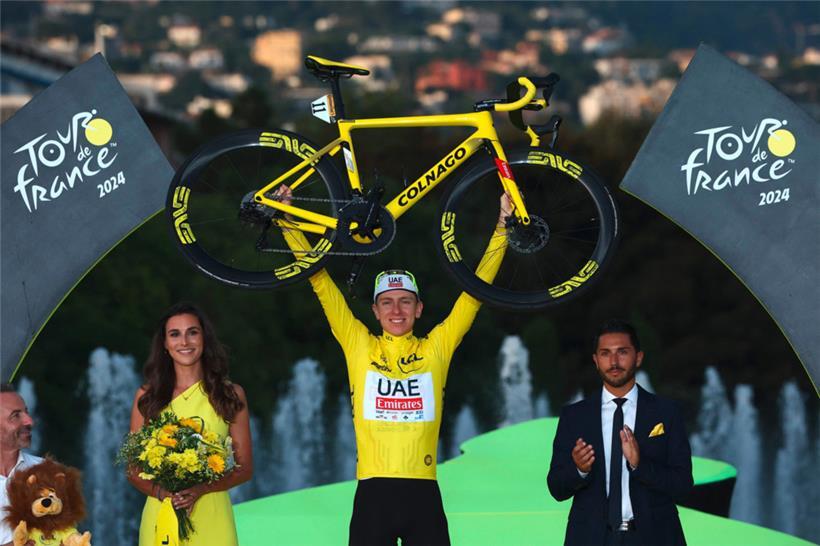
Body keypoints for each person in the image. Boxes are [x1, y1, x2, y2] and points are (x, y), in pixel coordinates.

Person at [278, 186, 510, 545]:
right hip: (373, 496)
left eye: (405, 302)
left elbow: (474, 294)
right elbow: (321, 283)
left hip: (424, 494)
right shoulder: (358, 344)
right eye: (387, 303)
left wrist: (502, 229)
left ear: (419, 309)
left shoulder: (437, 347)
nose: (396, 310)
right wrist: (287, 222)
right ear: (375, 311)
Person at [547, 320, 693, 546]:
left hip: (655, 538)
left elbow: (683, 486)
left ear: (639, 357)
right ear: (596, 361)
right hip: (590, 539)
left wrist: (639, 465)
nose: (614, 362)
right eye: (605, 354)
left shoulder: (666, 412)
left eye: (622, 352)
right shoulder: (574, 416)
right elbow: (556, 487)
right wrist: (579, 469)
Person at [127, 302, 253, 546]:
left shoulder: (230, 394)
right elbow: (133, 470)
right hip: (162, 516)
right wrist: (164, 493)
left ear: (204, 338)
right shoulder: (147, 397)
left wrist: (200, 489)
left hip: (212, 518)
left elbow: (245, 468)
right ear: (164, 344)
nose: (184, 342)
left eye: (192, 332)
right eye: (175, 334)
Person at [0, 384, 43, 546]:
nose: (29, 421)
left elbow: (68, 535)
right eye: (15, 415)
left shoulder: (49, 472)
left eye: (26, 412)